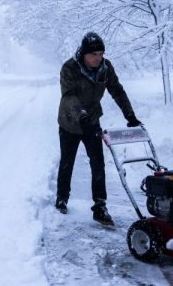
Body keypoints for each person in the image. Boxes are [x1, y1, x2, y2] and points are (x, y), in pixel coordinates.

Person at [56, 32, 141, 226]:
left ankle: (100, 207)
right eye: (94, 54)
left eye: (101, 53)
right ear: (84, 54)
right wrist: (81, 115)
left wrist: (130, 115)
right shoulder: (70, 68)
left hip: (92, 120)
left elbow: (117, 90)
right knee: (67, 161)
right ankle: (62, 198)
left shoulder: (105, 67)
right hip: (70, 121)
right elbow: (68, 96)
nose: (98, 58)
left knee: (98, 163)